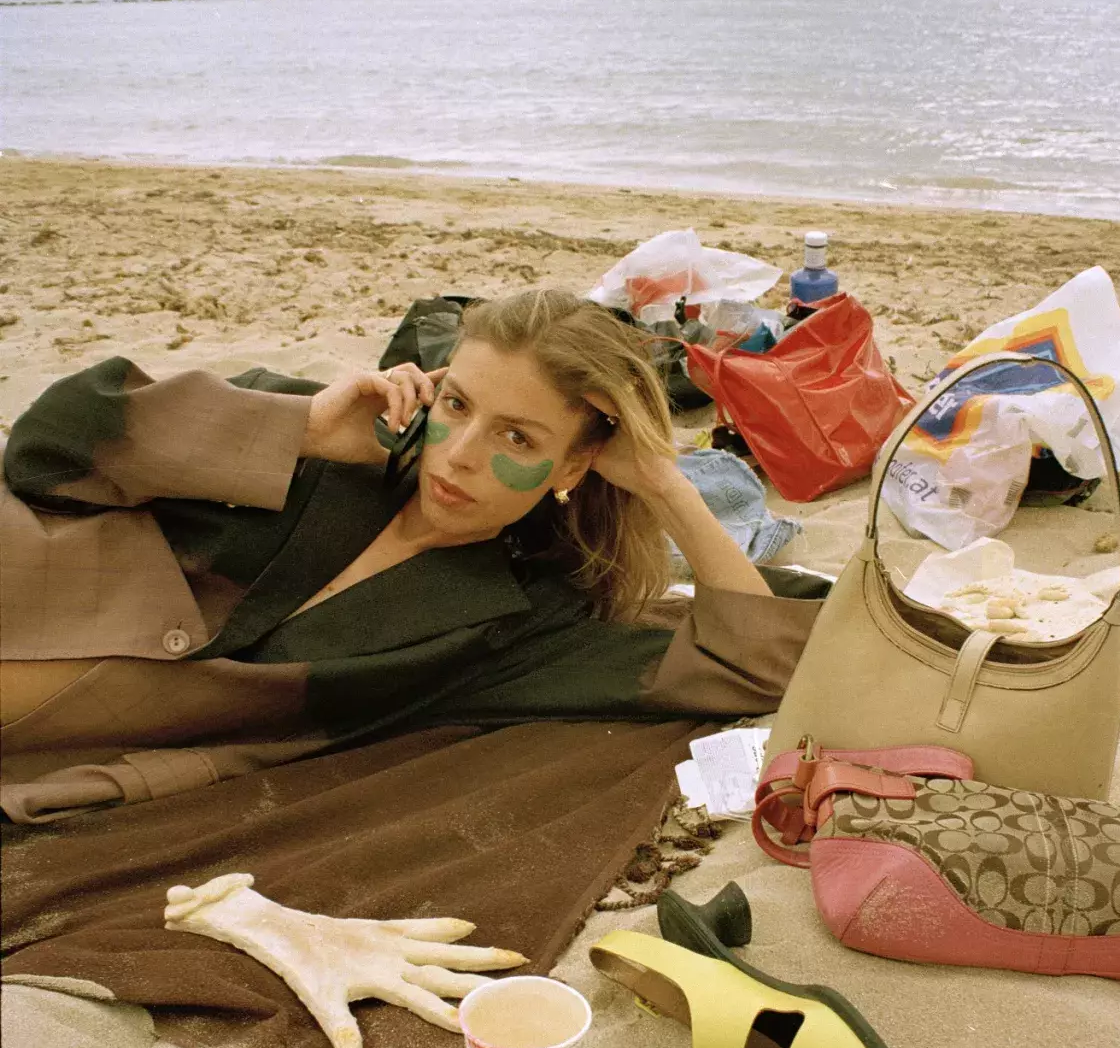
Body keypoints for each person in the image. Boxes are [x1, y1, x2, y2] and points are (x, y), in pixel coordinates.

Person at [0, 289, 823, 823]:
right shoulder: (313, 432)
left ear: (575, 466)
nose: (458, 454)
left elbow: (758, 664)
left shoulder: (520, 621)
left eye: (516, 437)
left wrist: (667, 485)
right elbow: (45, 448)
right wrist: (302, 430)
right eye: (456, 404)